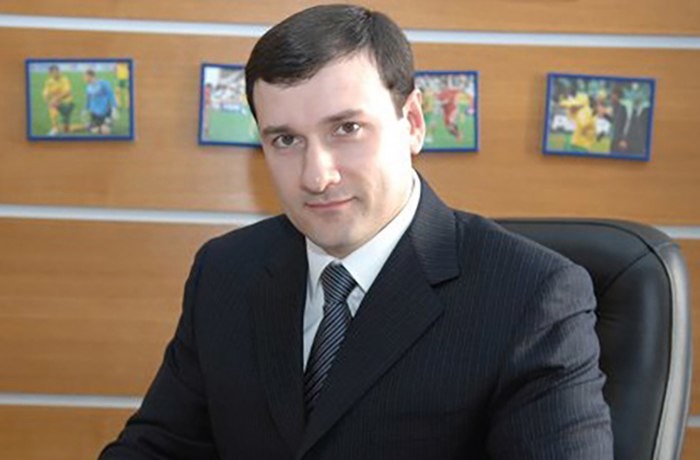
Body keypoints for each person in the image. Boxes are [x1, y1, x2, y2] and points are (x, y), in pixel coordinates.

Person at [100, 4, 612, 459]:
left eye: (346, 129)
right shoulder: (225, 271)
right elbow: (158, 447)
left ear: (413, 122)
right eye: (286, 140)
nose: (316, 176)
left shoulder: (532, 297)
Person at [42, 64, 75, 136]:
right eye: (53, 72)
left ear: (59, 71)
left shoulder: (65, 79)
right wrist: (48, 101)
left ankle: (83, 126)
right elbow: (45, 93)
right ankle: (55, 127)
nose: (56, 74)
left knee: (66, 130)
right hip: (56, 103)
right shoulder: (48, 82)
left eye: (57, 72)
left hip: (67, 104)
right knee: (52, 107)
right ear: (50, 73)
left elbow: (67, 92)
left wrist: (56, 99)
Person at [84, 68, 118, 135]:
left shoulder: (103, 84)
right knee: (95, 130)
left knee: (105, 131)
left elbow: (110, 95)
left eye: (85, 76)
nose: (84, 78)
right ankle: (93, 126)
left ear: (90, 76)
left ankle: (102, 124)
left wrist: (114, 108)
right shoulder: (88, 87)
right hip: (95, 113)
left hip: (105, 112)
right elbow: (88, 99)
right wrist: (85, 109)